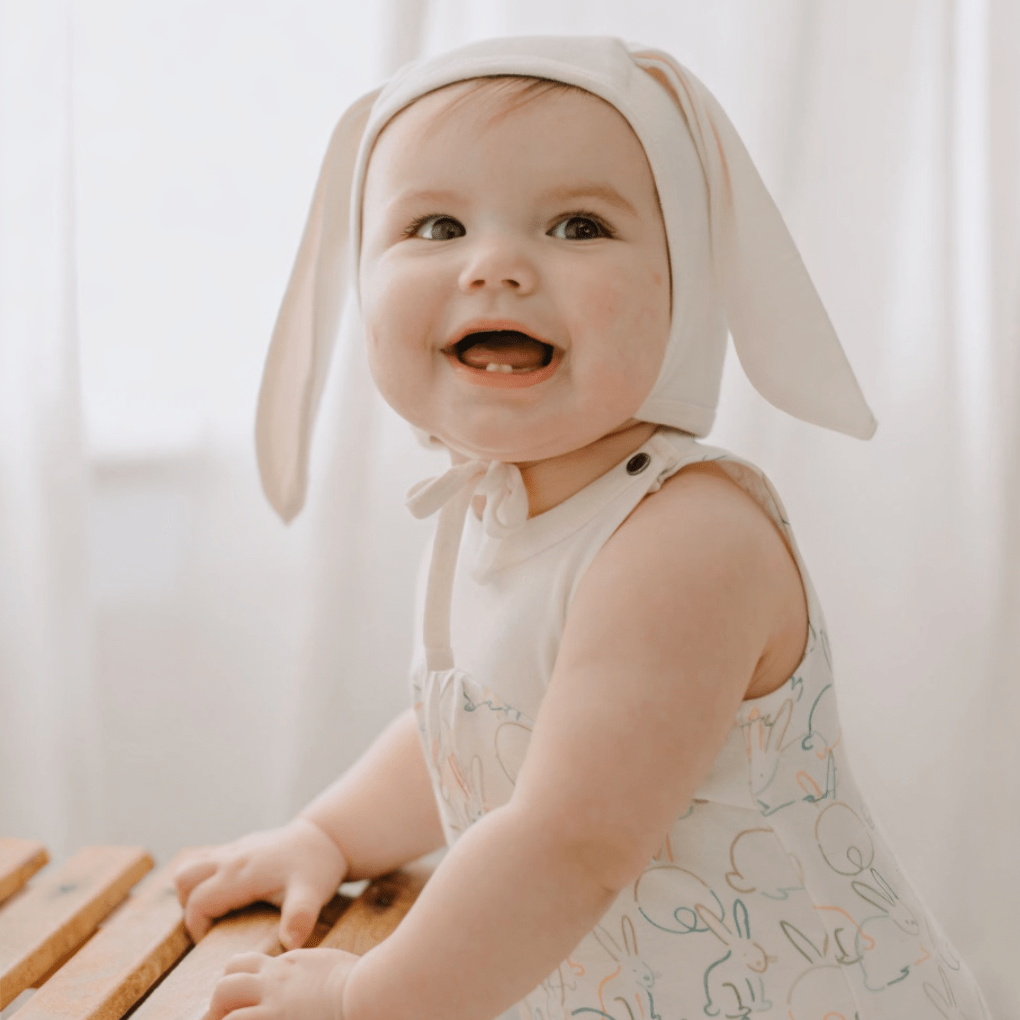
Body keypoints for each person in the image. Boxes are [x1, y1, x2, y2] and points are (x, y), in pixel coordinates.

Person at [172, 36, 991, 1020]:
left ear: (684, 279)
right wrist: (330, 836)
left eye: (577, 223)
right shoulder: (503, 504)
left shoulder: (686, 539)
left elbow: (569, 840)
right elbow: (483, 733)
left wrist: (366, 995)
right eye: (435, 224)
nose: (497, 266)